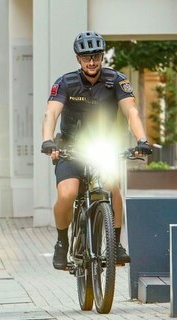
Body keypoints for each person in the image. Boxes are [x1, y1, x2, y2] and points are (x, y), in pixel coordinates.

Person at [41, 31, 153, 270]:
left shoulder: (117, 80)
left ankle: (116, 244)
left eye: (96, 56)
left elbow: (131, 111)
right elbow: (51, 112)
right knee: (67, 194)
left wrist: (142, 139)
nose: (91, 62)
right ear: (78, 59)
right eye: (86, 57)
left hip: (103, 145)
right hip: (70, 148)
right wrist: (48, 141)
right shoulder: (65, 82)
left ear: (102, 57)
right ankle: (62, 242)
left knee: (112, 188)